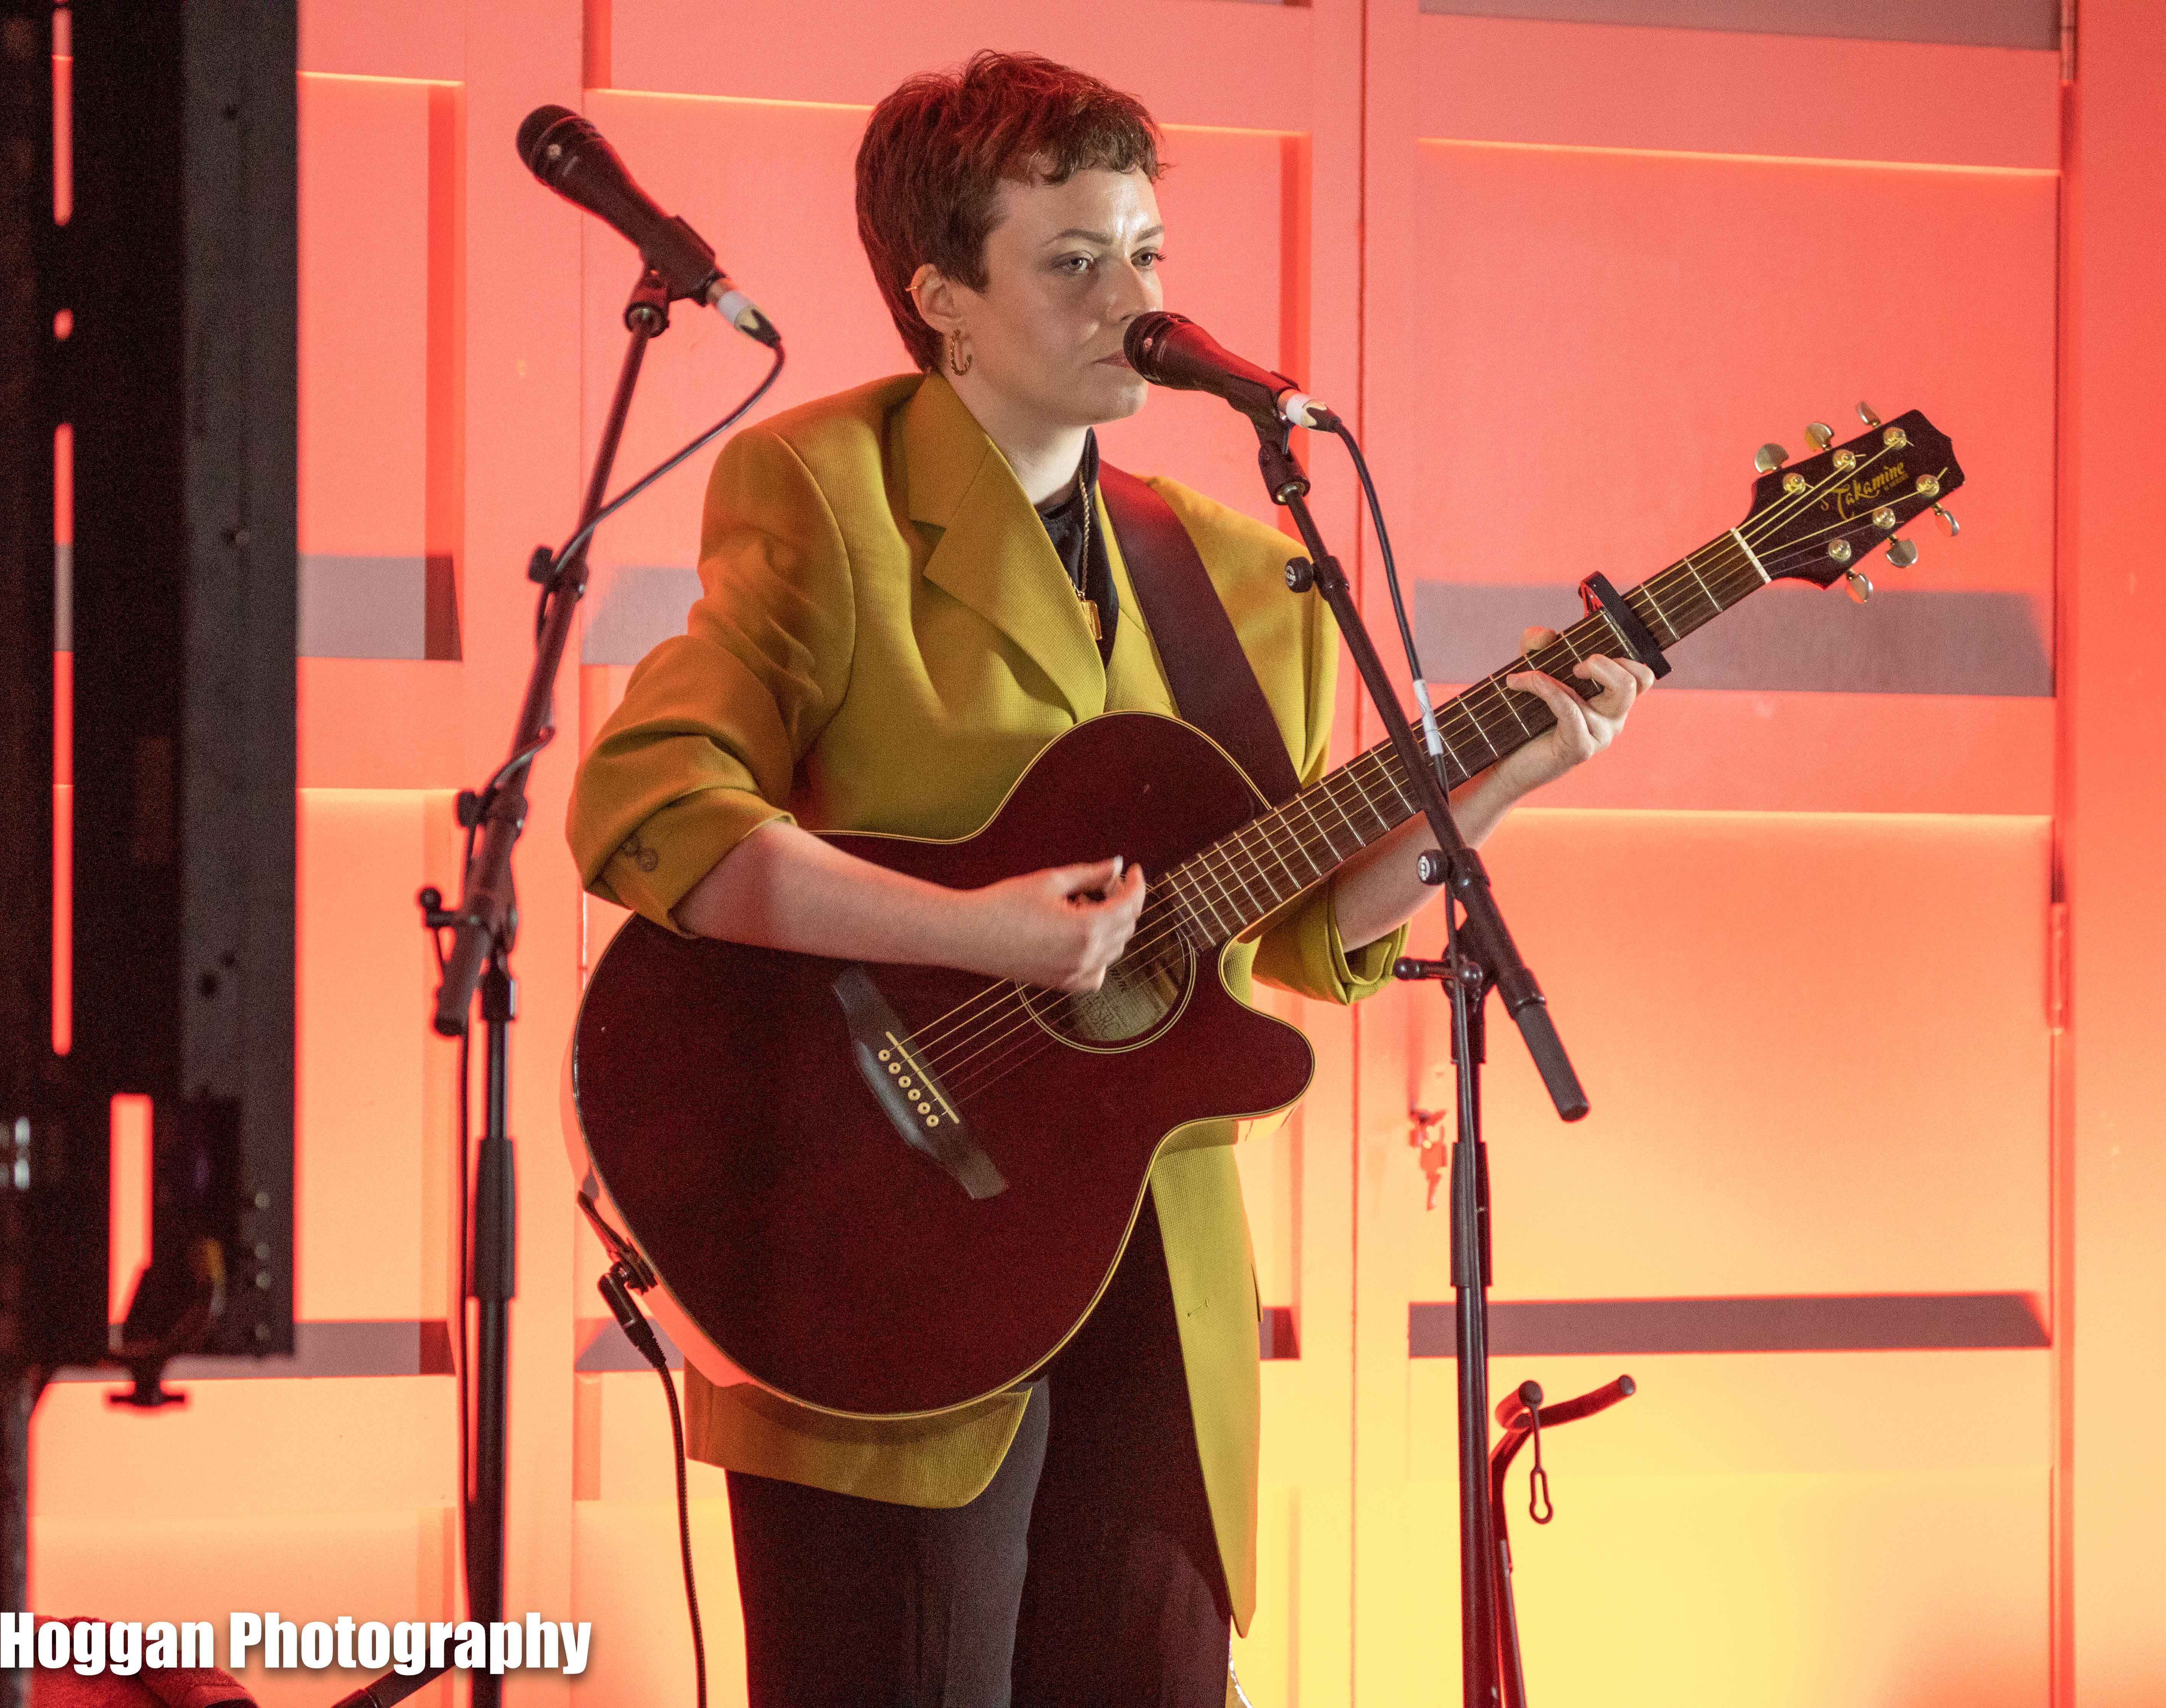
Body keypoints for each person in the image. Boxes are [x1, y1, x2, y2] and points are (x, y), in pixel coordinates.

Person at [565, 49, 1652, 1708]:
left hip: (1151, 1271)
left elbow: (1297, 934)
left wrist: (1490, 786)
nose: (1135, 302)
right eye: (1073, 262)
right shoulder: (828, 493)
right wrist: (970, 931)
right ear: (942, 299)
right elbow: (652, 805)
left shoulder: (1247, 574)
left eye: (1146, 253)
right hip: (875, 1250)